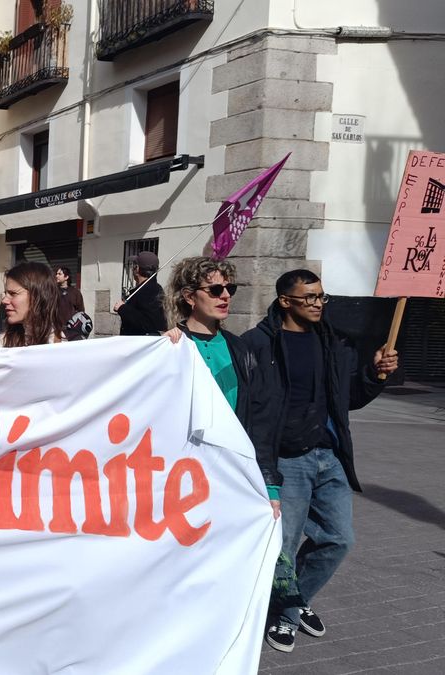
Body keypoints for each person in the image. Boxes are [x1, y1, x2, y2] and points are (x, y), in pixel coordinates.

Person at [242, 269, 398, 653]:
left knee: (339, 539)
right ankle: (284, 615)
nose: (317, 304)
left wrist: (375, 375)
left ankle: (292, 600)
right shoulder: (257, 344)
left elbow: (349, 397)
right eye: (309, 297)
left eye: (321, 296)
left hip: (329, 456)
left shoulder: (331, 341)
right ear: (285, 301)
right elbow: (245, 404)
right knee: (286, 544)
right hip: (286, 459)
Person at [162, 257, 279, 514]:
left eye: (230, 289)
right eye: (215, 290)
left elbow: (260, 419)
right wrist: (160, 350)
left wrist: (269, 484)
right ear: (190, 297)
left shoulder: (240, 349)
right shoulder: (169, 347)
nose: (225, 296)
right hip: (181, 471)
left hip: (230, 468)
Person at [0, 261, 66, 353]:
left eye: (13, 293)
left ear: (38, 296)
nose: (4, 301)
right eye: (6, 293)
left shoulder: (62, 346)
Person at [114, 251, 167, 336]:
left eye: (133, 266)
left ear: (137, 269)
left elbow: (149, 323)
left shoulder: (148, 290)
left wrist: (122, 308)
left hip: (141, 345)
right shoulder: (153, 289)